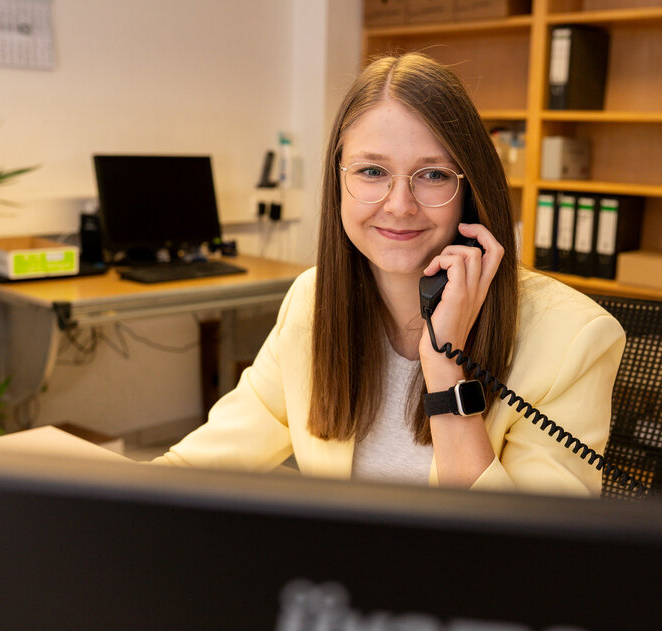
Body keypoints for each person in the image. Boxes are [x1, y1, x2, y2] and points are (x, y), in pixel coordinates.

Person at [153, 53, 625, 496]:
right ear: (339, 180)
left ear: (471, 189)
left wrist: (445, 367)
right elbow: (194, 468)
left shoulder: (572, 338)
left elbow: (522, 549)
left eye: (433, 175)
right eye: (372, 171)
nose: (399, 205)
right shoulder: (312, 299)